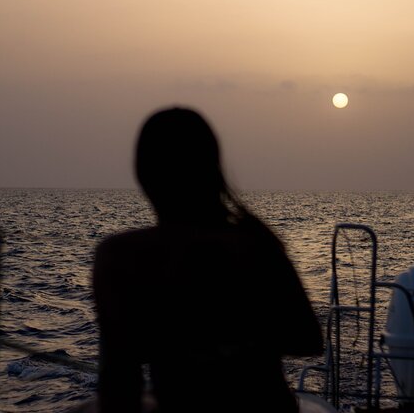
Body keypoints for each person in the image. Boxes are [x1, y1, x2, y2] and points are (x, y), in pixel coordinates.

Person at [92, 107, 324, 413]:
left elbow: (119, 385)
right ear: (212, 170)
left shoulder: (122, 255)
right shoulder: (256, 243)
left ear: (144, 175)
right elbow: (307, 339)